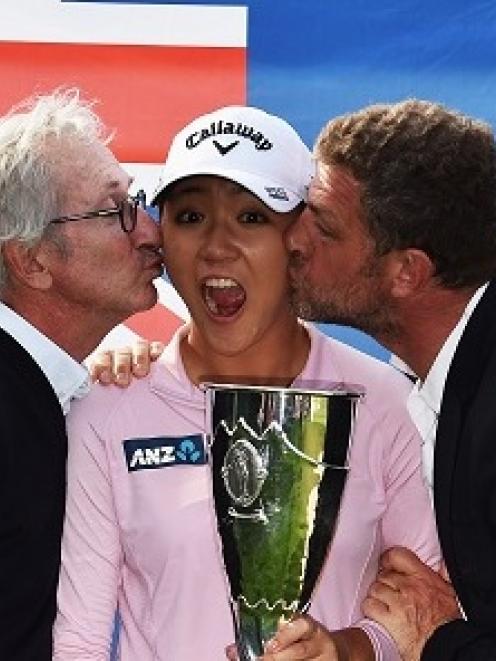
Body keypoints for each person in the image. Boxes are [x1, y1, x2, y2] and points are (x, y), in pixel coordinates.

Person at [53, 104, 440, 661]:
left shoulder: (385, 404)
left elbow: (423, 619)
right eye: (190, 217)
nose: (216, 246)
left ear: (299, 241)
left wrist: (344, 651)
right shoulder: (108, 408)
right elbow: (80, 642)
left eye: (251, 217)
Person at [271, 99, 496, 660]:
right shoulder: (423, 381)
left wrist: (441, 641)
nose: (290, 239)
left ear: (406, 272)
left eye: (322, 225)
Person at [0, 88, 162, 661]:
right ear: (33, 261)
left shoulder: (61, 388)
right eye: (114, 210)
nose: (149, 231)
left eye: (138, 201)